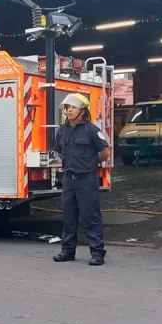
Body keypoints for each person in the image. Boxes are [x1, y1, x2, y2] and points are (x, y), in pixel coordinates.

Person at [52, 93, 110, 266]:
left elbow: (105, 152)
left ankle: (97, 253)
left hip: (86, 179)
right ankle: (68, 251)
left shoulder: (91, 130)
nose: (69, 111)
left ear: (82, 111)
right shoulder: (62, 131)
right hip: (69, 179)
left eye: (73, 108)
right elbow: (58, 151)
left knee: (90, 216)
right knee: (69, 217)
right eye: (67, 108)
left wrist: (91, 164)